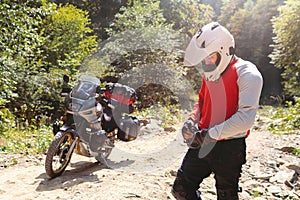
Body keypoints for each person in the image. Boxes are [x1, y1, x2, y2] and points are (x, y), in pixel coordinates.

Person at [171, 22, 263, 200]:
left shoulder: (248, 73)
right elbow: (202, 101)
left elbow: (245, 120)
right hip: (203, 140)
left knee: (226, 196)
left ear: (225, 50)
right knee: (181, 190)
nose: (206, 62)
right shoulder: (210, 73)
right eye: (204, 58)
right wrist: (191, 120)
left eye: (210, 57)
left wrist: (209, 134)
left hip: (229, 147)